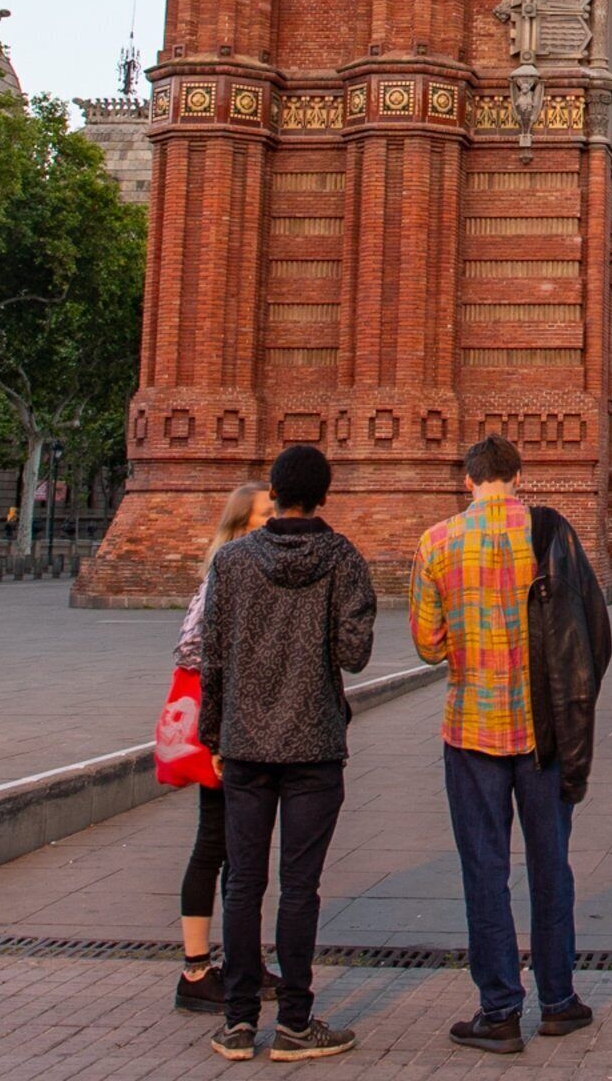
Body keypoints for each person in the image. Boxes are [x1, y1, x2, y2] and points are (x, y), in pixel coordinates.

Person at [419, 435, 610, 1054]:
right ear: (518, 476)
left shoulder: (437, 542)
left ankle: (499, 1010)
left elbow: (428, 643)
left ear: (467, 480)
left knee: (485, 870)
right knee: (551, 864)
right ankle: (558, 1001)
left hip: (471, 728)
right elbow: (594, 631)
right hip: (544, 733)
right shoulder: (554, 533)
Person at [192, 445, 375, 1062]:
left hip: (243, 744)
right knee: (301, 887)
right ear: (325, 494)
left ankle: (238, 1023)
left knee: (242, 883)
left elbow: (210, 657)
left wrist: (212, 737)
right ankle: (296, 1023)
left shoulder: (234, 562)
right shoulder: (342, 557)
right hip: (315, 744)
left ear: (273, 492)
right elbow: (354, 653)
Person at [172, 481, 272, 1014]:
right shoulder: (224, 571)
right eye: (265, 513)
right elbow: (191, 647)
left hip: (240, 725)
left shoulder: (240, 565)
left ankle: (243, 962)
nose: (273, 518)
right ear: (241, 524)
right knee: (214, 843)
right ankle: (195, 971)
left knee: (241, 849)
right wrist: (216, 729)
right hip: (224, 728)